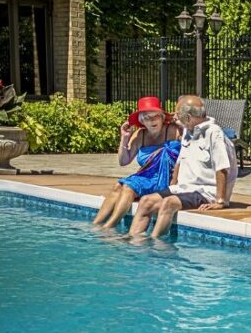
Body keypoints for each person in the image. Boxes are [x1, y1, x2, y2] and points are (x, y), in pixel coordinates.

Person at [127, 95, 238, 240]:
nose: (174, 117)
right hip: (184, 188)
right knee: (146, 201)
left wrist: (220, 201)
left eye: (178, 115)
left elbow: (222, 167)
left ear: (189, 118)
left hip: (205, 191)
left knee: (169, 203)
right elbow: (180, 160)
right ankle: (135, 242)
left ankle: (155, 244)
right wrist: (172, 186)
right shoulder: (188, 130)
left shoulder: (214, 133)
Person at [91, 96, 182, 228]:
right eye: (146, 118)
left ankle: (109, 226)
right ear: (142, 121)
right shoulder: (140, 135)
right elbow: (124, 161)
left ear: (162, 117)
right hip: (146, 179)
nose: (151, 121)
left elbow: (192, 143)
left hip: (166, 179)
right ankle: (96, 224)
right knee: (118, 186)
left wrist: (182, 125)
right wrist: (124, 138)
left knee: (128, 186)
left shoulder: (173, 130)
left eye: (155, 116)